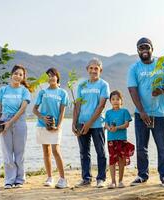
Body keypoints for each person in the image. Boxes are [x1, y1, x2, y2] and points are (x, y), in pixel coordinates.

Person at [127, 37, 164, 187]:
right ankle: (142, 175)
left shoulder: (162, 65)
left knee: (162, 146)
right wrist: (141, 111)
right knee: (141, 146)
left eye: (147, 47)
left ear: (152, 48)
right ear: (138, 51)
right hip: (141, 114)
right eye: (141, 48)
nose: (144, 50)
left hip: (160, 113)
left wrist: (161, 90)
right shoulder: (134, 68)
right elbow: (132, 89)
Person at [72, 58, 110, 188]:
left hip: (97, 124)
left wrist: (89, 123)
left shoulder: (103, 85)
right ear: (87, 69)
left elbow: (101, 106)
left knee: (100, 151)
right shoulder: (82, 85)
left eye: (96, 68)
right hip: (81, 123)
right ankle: (86, 178)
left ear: (100, 70)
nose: (93, 71)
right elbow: (77, 105)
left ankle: (101, 178)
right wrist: (74, 122)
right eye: (91, 68)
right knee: (84, 152)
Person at [0, 64, 31, 189]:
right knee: (7, 152)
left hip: (19, 122)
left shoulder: (25, 91)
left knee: (19, 153)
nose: (17, 76)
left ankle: (20, 179)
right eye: (16, 73)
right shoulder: (2, 90)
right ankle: (9, 180)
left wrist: (10, 122)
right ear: (12, 74)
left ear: (23, 77)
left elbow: (22, 109)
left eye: (20, 74)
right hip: (4, 120)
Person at [32, 68, 69, 189]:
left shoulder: (63, 93)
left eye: (53, 75)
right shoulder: (42, 92)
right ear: (46, 79)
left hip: (55, 126)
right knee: (46, 152)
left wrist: (59, 125)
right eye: (49, 75)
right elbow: (34, 110)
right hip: (42, 126)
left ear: (57, 77)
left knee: (56, 151)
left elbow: (62, 111)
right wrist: (43, 118)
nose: (51, 77)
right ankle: (49, 178)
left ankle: (63, 179)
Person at [104, 90, 134, 189]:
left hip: (122, 139)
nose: (115, 101)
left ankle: (121, 181)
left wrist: (117, 128)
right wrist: (109, 129)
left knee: (122, 159)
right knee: (112, 159)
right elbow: (106, 125)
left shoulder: (124, 111)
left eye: (118, 99)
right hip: (111, 139)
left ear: (121, 100)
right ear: (110, 101)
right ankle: (113, 182)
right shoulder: (108, 113)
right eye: (113, 99)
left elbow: (127, 124)